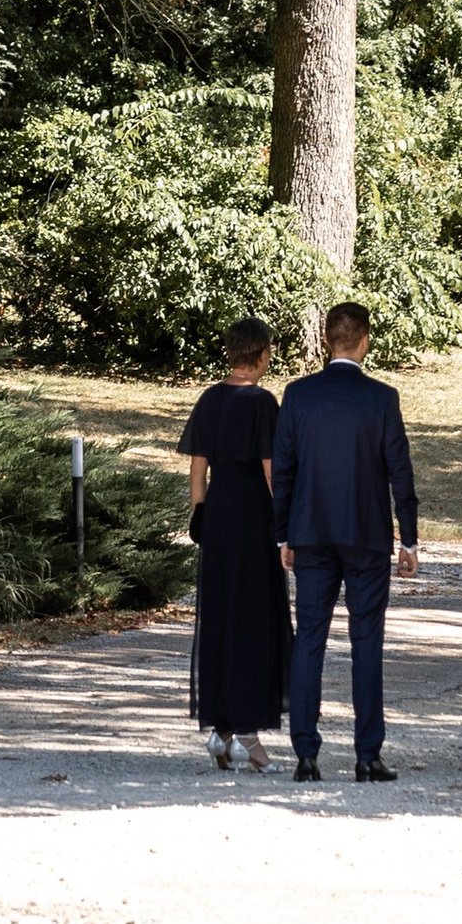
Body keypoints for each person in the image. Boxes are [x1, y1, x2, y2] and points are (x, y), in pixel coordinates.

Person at [271, 300, 419, 784]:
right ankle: (367, 754)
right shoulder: (381, 398)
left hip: (311, 534)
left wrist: (284, 535)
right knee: (366, 641)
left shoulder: (297, 395)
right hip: (366, 535)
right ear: (364, 340)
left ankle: (306, 755)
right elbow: (400, 470)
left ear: (329, 339)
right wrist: (409, 539)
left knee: (310, 638)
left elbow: (285, 470)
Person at [178, 318, 292, 770]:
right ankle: (247, 733)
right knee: (253, 618)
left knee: (221, 615)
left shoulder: (209, 398)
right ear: (262, 354)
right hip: (251, 519)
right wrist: (285, 523)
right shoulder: (262, 402)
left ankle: (221, 730)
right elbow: (271, 471)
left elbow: (197, 469)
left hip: (217, 516)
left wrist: (200, 513)